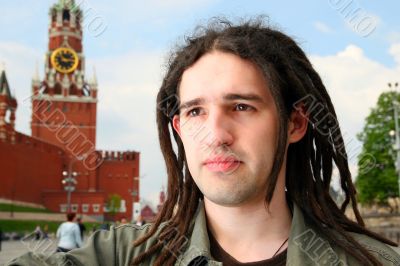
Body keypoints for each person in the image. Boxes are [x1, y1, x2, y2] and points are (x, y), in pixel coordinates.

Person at [7, 17, 400, 266]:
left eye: (242, 107)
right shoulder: (128, 256)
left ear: (295, 123)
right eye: (195, 111)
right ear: (179, 128)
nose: (215, 134)